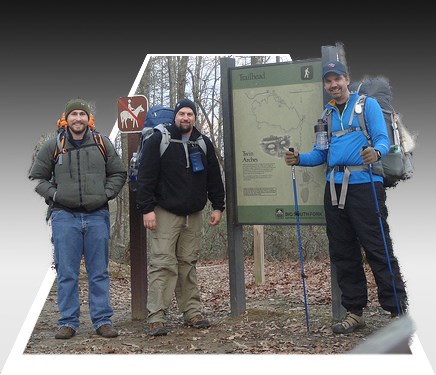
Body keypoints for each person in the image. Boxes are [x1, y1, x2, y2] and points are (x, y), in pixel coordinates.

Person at [284, 61, 408, 334]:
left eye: (337, 79)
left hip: (365, 185)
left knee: (377, 247)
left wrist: (375, 153)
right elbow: (321, 154)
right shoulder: (326, 116)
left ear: (347, 80)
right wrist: (299, 159)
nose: (333, 85)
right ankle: (355, 312)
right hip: (334, 186)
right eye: (328, 81)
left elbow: (382, 139)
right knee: (343, 252)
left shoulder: (367, 106)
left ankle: (397, 309)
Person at [28, 98, 127, 339]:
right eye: (74, 114)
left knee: (99, 272)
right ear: (66, 118)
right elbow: (38, 178)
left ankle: (102, 321)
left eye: (83, 114)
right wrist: (56, 195)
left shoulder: (102, 143)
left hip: (97, 216)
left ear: (89, 119)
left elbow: (119, 173)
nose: (78, 119)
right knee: (67, 272)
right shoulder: (53, 145)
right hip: (64, 217)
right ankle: (68, 322)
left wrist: (105, 194)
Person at [136, 98, 225, 337]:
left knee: (188, 263)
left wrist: (218, 207)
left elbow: (214, 178)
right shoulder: (159, 139)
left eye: (190, 114)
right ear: (175, 116)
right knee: (162, 264)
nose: (185, 118)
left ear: (195, 118)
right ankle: (156, 317)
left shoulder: (203, 143)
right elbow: (145, 177)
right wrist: (147, 209)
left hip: (193, 214)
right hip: (163, 213)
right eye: (182, 114)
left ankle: (192, 312)